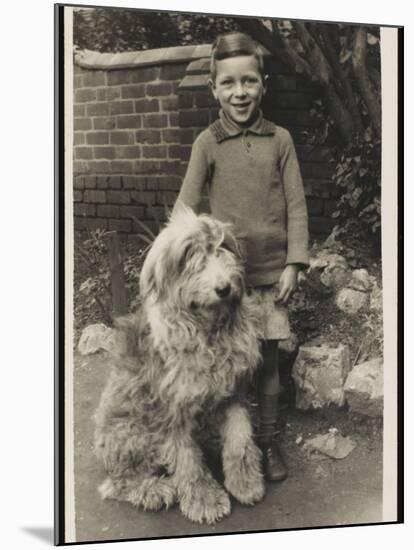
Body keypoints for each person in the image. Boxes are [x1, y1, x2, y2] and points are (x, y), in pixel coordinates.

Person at [173, 32, 309, 481]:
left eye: (248, 81)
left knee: (267, 366)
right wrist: (186, 264)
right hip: (226, 286)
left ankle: (267, 447)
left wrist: (294, 262)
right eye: (228, 83)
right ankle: (234, 449)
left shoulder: (280, 141)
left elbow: (297, 205)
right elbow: (185, 211)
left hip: (269, 279)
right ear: (214, 88)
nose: (239, 92)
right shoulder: (207, 144)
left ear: (263, 84)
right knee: (230, 372)